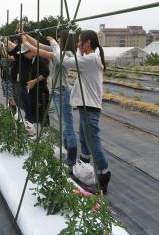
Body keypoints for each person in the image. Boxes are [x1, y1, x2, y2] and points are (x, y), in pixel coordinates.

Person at [49, 30, 111, 194]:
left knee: (93, 142)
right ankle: (83, 169)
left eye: (79, 41)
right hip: (87, 106)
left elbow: (66, 62)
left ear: (88, 43)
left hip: (90, 107)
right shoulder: (91, 58)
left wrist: (55, 45)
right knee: (85, 139)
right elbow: (75, 56)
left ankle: (103, 178)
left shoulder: (90, 59)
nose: (77, 44)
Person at [22, 30, 77, 166]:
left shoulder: (66, 55)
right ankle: (68, 153)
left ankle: (71, 157)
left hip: (62, 92)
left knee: (68, 125)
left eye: (60, 40)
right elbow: (39, 45)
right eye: (57, 39)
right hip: (57, 92)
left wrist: (25, 43)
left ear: (66, 42)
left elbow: (41, 51)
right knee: (64, 125)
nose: (57, 41)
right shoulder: (57, 51)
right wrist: (25, 34)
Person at [19, 42, 50, 127]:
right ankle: (36, 133)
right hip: (34, 90)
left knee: (43, 113)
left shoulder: (39, 59)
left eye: (25, 53)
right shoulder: (31, 60)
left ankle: (45, 135)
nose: (24, 55)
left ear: (32, 51)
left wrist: (34, 81)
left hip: (41, 91)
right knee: (35, 112)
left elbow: (46, 72)